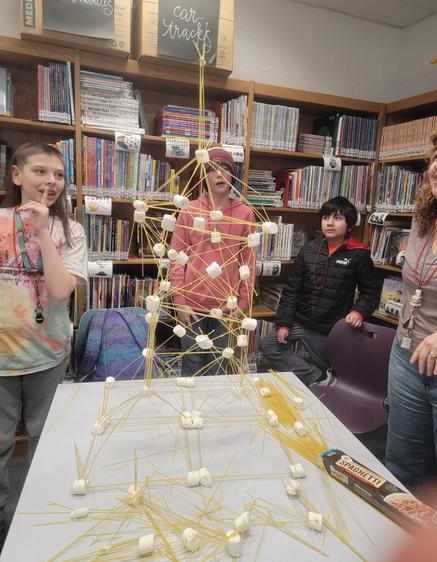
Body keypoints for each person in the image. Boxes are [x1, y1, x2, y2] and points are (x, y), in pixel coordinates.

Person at [0, 142, 88, 544]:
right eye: (40, 172)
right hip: (1, 360)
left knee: (43, 440)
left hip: (48, 356)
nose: (50, 182)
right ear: (17, 175)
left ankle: (36, 521)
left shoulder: (70, 231)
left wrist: (43, 233)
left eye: (58, 174)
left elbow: (59, 290)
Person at [260, 196, 380, 386]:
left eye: (337, 218)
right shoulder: (309, 249)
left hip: (329, 328)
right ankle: (318, 377)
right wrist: (284, 324)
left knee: (330, 367)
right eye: (325, 218)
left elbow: (372, 292)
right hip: (300, 320)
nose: (330, 223)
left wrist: (359, 311)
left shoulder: (359, 255)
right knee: (268, 345)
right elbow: (291, 290)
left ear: (349, 225)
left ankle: (322, 383)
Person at [170, 146, 255, 377]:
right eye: (212, 169)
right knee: (191, 366)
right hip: (192, 306)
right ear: (204, 176)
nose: (219, 174)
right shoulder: (189, 210)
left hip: (227, 308)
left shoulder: (245, 213)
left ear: (233, 175)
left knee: (217, 368)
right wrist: (179, 301)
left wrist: (243, 302)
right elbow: (176, 258)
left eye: (225, 169)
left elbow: (249, 261)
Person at [385, 133, 437, 487]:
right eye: (436, 157)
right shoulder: (424, 220)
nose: (436, 167)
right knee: (402, 467)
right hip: (406, 354)